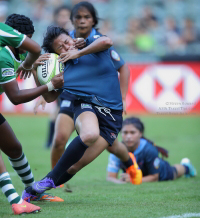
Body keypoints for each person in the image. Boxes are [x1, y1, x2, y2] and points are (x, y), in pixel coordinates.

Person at [22, 24, 142, 199]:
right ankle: (46, 183)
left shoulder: (89, 43)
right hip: (86, 106)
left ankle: (33, 192)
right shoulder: (61, 68)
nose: (66, 47)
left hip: (112, 117)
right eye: (60, 48)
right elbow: (49, 98)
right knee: (89, 135)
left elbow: (107, 41)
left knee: (72, 167)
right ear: (56, 53)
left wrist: (78, 51)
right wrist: (34, 71)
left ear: (71, 37)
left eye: (66, 41)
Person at [35, 2, 135, 185]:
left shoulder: (96, 40)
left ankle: (129, 161)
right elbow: (51, 77)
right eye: (78, 17)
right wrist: (42, 88)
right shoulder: (64, 41)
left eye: (86, 17)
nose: (82, 21)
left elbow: (122, 67)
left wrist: (122, 97)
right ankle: (56, 182)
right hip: (73, 98)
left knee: (107, 145)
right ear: (71, 21)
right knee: (59, 139)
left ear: (94, 20)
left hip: (101, 101)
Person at [0, 15, 64, 215]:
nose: (27, 44)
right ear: (19, 35)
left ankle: (33, 192)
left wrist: (30, 65)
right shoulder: (3, 54)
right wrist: (50, 84)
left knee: (13, 147)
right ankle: (16, 202)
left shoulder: (8, 54)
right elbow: (16, 97)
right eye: (27, 38)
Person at [107, 117, 197, 183]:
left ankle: (187, 166)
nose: (129, 136)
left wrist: (132, 180)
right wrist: (120, 182)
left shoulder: (149, 149)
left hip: (161, 172)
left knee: (174, 172)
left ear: (140, 134)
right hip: (139, 176)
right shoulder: (117, 150)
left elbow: (155, 177)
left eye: (132, 132)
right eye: (125, 133)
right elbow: (111, 177)